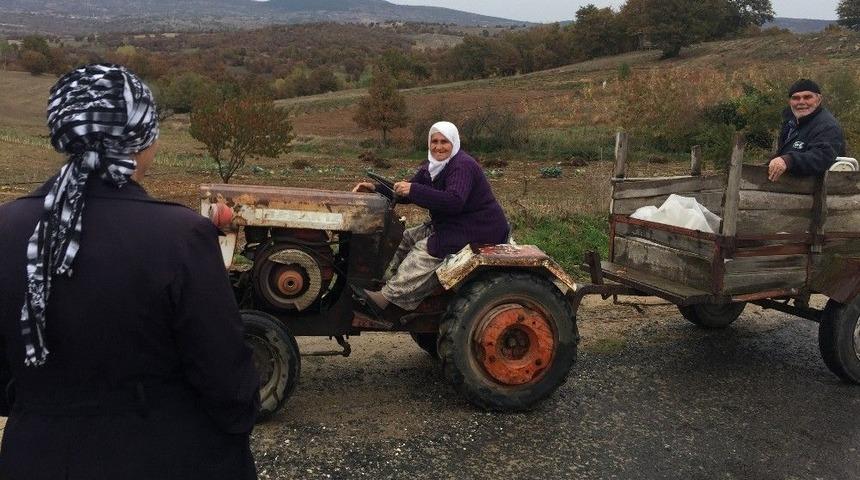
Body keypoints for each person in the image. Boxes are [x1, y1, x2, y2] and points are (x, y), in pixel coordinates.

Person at [0, 64, 260, 480]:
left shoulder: (7, 228)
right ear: (146, 139)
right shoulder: (182, 236)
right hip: (165, 455)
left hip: (37, 455)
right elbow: (228, 382)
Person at [352, 121, 509, 312]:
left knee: (426, 248)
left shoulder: (462, 166)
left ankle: (388, 298)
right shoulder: (433, 166)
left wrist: (414, 189)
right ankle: (382, 280)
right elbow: (408, 193)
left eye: (444, 141)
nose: (438, 146)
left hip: (479, 228)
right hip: (453, 223)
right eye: (434, 141)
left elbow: (454, 201)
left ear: (454, 143)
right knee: (404, 236)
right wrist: (376, 189)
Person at [768, 79, 846, 182]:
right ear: (790, 102)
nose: (801, 102)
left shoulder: (828, 126)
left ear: (819, 99)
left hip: (815, 191)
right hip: (788, 186)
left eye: (807, 97)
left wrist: (788, 160)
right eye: (796, 98)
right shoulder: (790, 124)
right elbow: (780, 155)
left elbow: (822, 157)